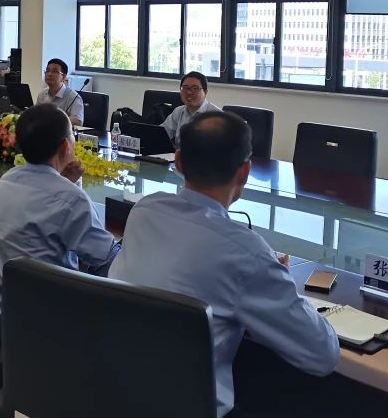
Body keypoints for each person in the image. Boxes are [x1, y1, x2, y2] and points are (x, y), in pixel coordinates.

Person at [110, 111, 339, 417]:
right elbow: (322, 355)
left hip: (117, 394)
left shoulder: (144, 211)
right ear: (245, 171)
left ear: (178, 162)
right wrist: (275, 278)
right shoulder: (246, 253)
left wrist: (264, 272)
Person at [0, 103, 120, 295]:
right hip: (53, 308)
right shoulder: (72, 200)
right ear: (66, 146)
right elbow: (105, 257)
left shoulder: (8, 180)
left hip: (6, 301)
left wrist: (63, 182)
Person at [161, 71, 219, 148]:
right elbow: (161, 134)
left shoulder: (217, 116)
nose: (189, 92)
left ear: (205, 92)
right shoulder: (178, 112)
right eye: (185, 88)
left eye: (195, 88)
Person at [35, 58, 84, 126]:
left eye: (55, 71)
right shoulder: (42, 94)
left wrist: (53, 121)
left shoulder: (73, 97)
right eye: (47, 70)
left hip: (63, 132)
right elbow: (36, 115)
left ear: (63, 77)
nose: (49, 74)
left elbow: (78, 121)